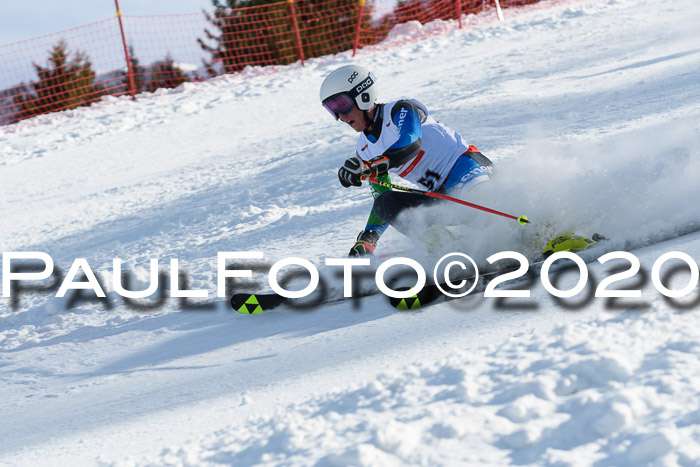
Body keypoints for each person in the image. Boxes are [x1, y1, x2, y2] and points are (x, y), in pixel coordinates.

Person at [320, 64, 494, 256]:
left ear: (364, 95)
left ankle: (524, 231)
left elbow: (411, 143)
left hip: (470, 170)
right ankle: (449, 250)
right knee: (385, 203)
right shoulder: (364, 149)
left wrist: (371, 166)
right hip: (445, 198)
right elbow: (382, 196)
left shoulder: (400, 110)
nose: (341, 116)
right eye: (332, 109)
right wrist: (368, 239)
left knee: (486, 208)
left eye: (342, 105)